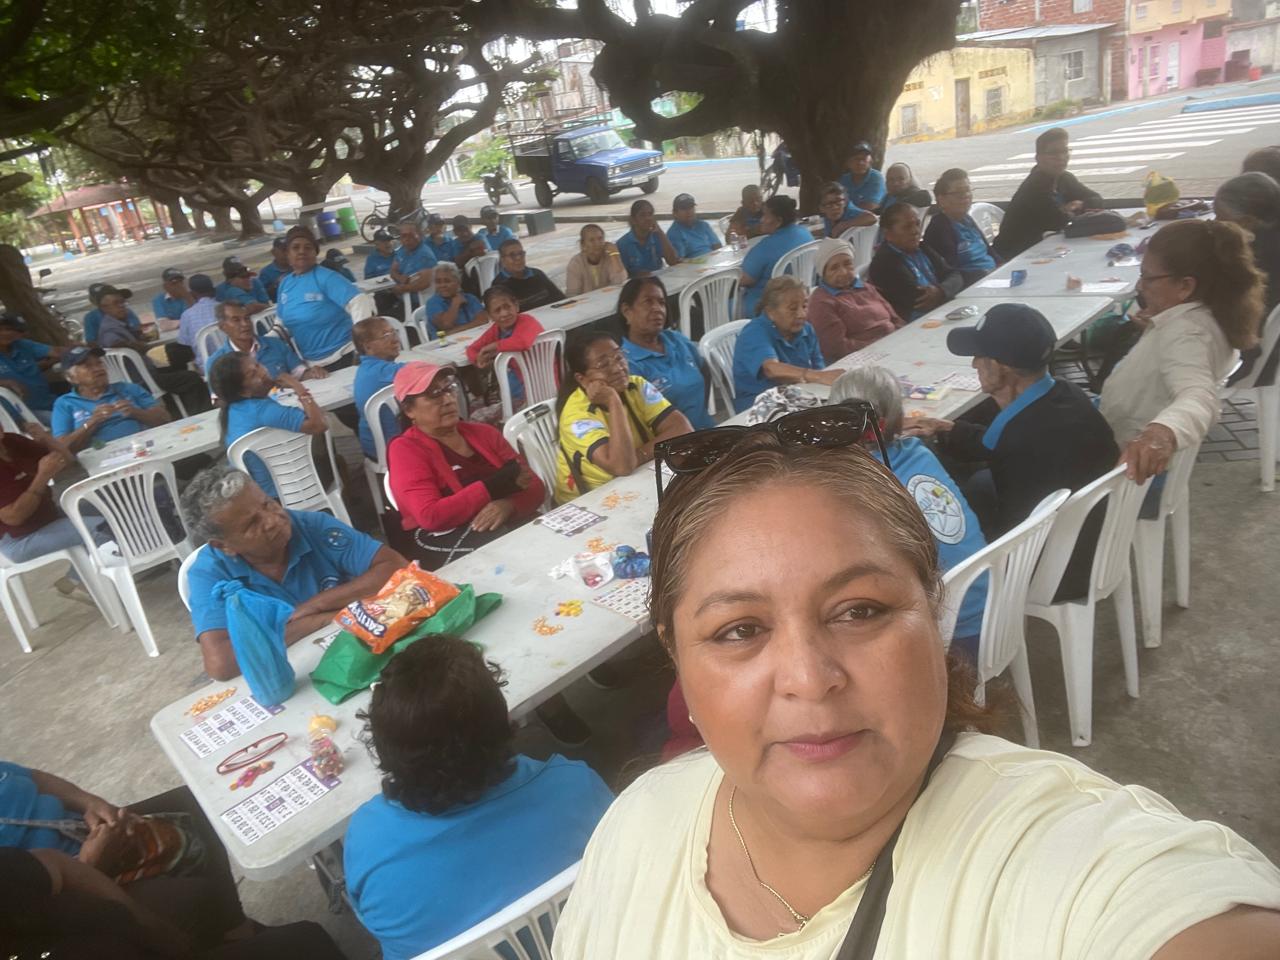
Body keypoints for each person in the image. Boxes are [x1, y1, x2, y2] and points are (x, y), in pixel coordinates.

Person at [552, 423, 1280, 960]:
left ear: (933, 612)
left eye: (859, 611)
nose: (809, 678)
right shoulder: (639, 826)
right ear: (677, 658)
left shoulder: (1063, 863)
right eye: (739, 630)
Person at [345, 636, 613, 960]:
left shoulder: (368, 842)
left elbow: (370, 917)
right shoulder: (576, 786)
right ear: (503, 721)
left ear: (384, 747)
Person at [904, 303, 1118, 598]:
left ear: (1000, 367)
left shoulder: (1021, 444)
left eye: (980, 356)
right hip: (1101, 542)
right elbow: (995, 441)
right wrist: (947, 429)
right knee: (980, 484)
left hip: (1057, 572)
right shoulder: (1066, 395)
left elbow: (1014, 530)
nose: (974, 364)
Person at [0, 761, 302, 956]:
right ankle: (220, 936)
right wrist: (94, 862)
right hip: (74, 884)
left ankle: (236, 928)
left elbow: (33, 778)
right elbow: (31, 905)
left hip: (83, 829)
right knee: (194, 896)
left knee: (193, 801)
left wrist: (92, 804)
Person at [180, 464, 405, 680]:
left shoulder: (311, 526)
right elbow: (221, 663)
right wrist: (316, 621)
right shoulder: (209, 573)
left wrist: (315, 604)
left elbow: (396, 566)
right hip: (286, 675)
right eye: (251, 524)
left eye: (268, 504)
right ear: (223, 546)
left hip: (351, 655)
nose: (273, 521)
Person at [1100, 219, 1263, 485]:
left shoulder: (1186, 333)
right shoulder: (1209, 315)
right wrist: (1157, 330)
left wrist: (1161, 433)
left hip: (1133, 473)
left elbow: (1199, 396)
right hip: (1134, 452)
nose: (1140, 286)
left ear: (1185, 286)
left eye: (1148, 277)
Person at [387, 361, 544, 564]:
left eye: (449, 389)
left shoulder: (484, 433)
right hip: (444, 538)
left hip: (504, 524)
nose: (447, 400)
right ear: (409, 410)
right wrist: (494, 486)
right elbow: (430, 516)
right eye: (434, 394)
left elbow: (535, 486)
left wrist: (509, 505)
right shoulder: (405, 450)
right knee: (514, 557)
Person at [554, 330, 693, 503]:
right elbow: (622, 466)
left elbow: (683, 429)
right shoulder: (576, 415)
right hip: (589, 501)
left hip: (638, 478)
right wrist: (614, 402)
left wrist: (639, 456)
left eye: (619, 357)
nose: (618, 368)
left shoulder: (637, 385)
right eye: (603, 364)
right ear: (582, 379)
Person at [207, 351, 328, 500]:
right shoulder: (261, 410)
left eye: (258, 365)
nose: (263, 371)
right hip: (290, 490)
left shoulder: (233, 410)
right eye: (253, 374)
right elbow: (320, 425)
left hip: (261, 494)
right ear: (242, 391)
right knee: (334, 458)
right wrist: (298, 388)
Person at [0, 425, 94, 596]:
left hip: (47, 517)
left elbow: (66, 462)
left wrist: (46, 438)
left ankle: (76, 580)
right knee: (103, 528)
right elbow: (14, 517)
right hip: (18, 539)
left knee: (111, 507)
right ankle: (85, 583)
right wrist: (42, 476)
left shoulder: (12, 441)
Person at [732, 275, 840, 413]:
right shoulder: (754, 332)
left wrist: (823, 377)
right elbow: (772, 369)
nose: (801, 314)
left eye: (804, 306)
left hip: (797, 396)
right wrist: (818, 376)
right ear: (770, 312)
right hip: (758, 408)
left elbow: (819, 368)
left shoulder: (806, 330)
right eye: (793, 308)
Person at [95, 288, 211, 416]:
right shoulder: (110, 329)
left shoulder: (120, 323)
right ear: (104, 308)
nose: (122, 306)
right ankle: (202, 415)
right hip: (141, 379)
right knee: (191, 378)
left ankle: (177, 412)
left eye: (122, 302)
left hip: (144, 372)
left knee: (177, 356)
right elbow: (113, 343)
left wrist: (138, 338)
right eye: (116, 303)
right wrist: (135, 345)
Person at [993, 127, 1103, 260]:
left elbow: (1096, 199)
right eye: (1053, 153)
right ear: (1038, 158)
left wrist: (1075, 206)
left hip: (1047, 247)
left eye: (1064, 151)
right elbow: (1058, 221)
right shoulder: (1035, 185)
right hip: (1017, 253)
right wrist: (1071, 211)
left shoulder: (1065, 178)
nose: (1061, 157)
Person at [619, 276, 714, 430]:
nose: (658, 309)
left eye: (661, 302)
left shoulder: (676, 340)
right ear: (627, 311)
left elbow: (704, 370)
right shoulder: (627, 363)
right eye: (648, 302)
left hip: (708, 430)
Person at [1214, 171, 1280, 385]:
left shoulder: (1254, 260)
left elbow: (1238, 324)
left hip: (1255, 361)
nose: (1216, 223)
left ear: (1247, 221)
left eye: (1221, 217)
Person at [276, 225, 372, 367]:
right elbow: (281, 324)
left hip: (344, 356)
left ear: (315, 253)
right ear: (287, 254)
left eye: (308, 247)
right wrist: (259, 342)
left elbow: (359, 301)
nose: (302, 251)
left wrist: (361, 346)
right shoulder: (285, 284)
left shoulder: (326, 277)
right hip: (312, 365)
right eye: (295, 247)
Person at [51, 348, 170, 452]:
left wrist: (136, 412)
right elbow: (63, 447)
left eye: (99, 363)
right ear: (71, 377)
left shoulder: (128, 389)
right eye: (88, 366)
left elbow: (165, 419)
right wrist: (92, 422)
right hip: (100, 459)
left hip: (144, 447)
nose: (98, 369)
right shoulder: (65, 403)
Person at [805, 237, 902, 364]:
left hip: (893, 346)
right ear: (823, 273)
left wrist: (902, 337)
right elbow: (836, 348)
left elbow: (895, 319)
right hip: (862, 360)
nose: (843, 272)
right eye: (834, 268)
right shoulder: (822, 302)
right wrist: (880, 345)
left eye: (847, 264)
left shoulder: (865, 287)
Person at [868, 201, 963, 322]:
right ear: (887, 234)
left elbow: (955, 275)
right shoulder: (884, 263)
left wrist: (941, 291)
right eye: (907, 227)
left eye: (917, 224)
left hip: (942, 311)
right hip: (915, 323)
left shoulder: (922, 247)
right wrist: (947, 289)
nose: (915, 231)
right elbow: (920, 301)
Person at [465, 284, 545, 409]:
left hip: (541, 386)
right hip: (516, 391)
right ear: (490, 316)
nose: (504, 313)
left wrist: (495, 346)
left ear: (516, 306)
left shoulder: (528, 321)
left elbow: (522, 342)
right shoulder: (496, 329)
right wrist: (478, 359)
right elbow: (472, 349)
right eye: (497, 310)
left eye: (507, 307)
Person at [205, 300, 324, 384]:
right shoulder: (216, 362)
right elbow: (219, 400)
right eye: (236, 320)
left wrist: (312, 373)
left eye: (247, 318)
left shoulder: (275, 345)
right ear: (222, 327)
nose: (245, 324)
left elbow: (299, 374)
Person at [738, 195, 813, 318]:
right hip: (803, 297)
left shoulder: (767, 246)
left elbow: (744, 279)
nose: (761, 220)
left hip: (767, 305)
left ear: (778, 221)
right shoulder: (805, 233)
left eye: (765, 215)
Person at [924, 167, 1000, 288]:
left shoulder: (966, 219)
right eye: (959, 192)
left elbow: (990, 252)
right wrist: (986, 273)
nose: (966, 196)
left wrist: (1003, 267)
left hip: (993, 277)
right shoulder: (940, 228)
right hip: (973, 285)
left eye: (967, 190)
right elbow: (952, 273)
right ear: (941, 200)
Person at [0, 312, 68, 425]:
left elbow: (55, 351)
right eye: (1, 330)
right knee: (67, 422)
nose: (5, 333)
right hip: (21, 414)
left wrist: (78, 352)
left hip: (48, 402)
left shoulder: (22, 345)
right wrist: (5, 383)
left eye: (9, 329)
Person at [352, 316, 406, 460]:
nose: (395, 340)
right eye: (386, 336)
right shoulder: (383, 372)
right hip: (391, 449)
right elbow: (422, 371)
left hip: (375, 448)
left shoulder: (366, 369)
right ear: (368, 346)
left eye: (394, 332)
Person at [493, 239, 565, 311]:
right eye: (512, 255)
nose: (518, 258)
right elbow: (505, 313)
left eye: (521, 253)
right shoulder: (499, 286)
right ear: (502, 259)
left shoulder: (537, 274)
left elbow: (560, 298)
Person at [423, 262, 487, 340]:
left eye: (447, 281)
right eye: (438, 282)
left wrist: (452, 332)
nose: (443, 285)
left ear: (458, 282)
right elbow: (446, 324)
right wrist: (455, 303)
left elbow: (483, 321)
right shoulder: (432, 303)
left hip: (473, 338)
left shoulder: (470, 298)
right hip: (445, 343)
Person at [617, 198, 680, 277]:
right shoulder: (623, 244)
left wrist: (660, 232)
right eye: (642, 215)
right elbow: (621, 275)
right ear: (633, 220)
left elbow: (673, 262)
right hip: (636, 282)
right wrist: (637, 274)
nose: (648, 218)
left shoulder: (657, 237)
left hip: (659, 279)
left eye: (650, 214)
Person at [564, 223, 628, 296]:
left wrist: (615, 254)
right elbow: (572, 294)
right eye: (592, 240)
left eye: (600, 238)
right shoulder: (576, 263)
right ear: (583, 244)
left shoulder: (609, 258)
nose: (597, 243)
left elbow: (620, 281)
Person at [390, 221, 437, 310]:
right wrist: (400, 278)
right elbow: (393, 270)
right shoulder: (402, 250)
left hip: (418, 304)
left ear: (419, 235)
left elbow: (425, 283)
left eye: (411, 235)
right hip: (402, 299)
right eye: (404, 236)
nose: (407, 239)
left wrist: (402, 288)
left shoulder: (425, 255)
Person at [177, 273, 219, 366]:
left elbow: (185, 346)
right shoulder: (228, 309)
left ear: (192, 294)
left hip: (207, 367)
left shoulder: (187, 315)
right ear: (214, 290)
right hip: (234, 361)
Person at [666, 193, 723, 260]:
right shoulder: (674, 233)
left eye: (691, 207)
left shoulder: (703, 225)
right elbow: (679, 260)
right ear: (675, 213)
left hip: (713, 260)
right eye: (684, 208)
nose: (688, 211)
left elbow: (718, 246)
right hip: (693, 264)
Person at [838, 140, 887, 211]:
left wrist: (844, 210)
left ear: (870, 162)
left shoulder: (876, 177)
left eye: (864, 159)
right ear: (848, 162)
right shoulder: (844, 180)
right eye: (856, 159)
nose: (860, 163)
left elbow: (871, 206)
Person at [257, 236, 292, 301]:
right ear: (273, 252)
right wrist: (276, 285)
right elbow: (262, 296)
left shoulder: (298, 267)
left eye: (288, 250)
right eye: (283, 250)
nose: (286, 254)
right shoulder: (266, 272)